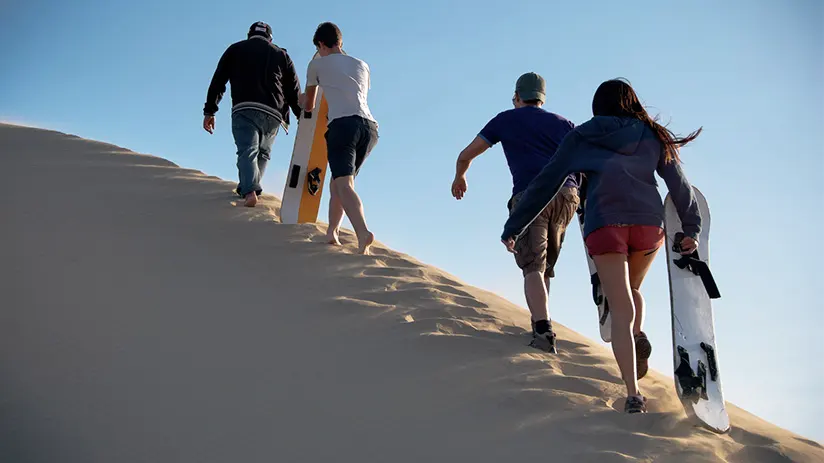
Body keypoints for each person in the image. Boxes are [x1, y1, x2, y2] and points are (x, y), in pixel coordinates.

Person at [500, 78, 702, 414]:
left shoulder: (582, 135)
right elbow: (679, 185)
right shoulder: (653, 135)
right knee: (632, 289)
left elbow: (547, 181)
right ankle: (637, 332)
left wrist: (514, 225)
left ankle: (634, 395)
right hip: (649, 225)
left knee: (618, 306)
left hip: (605, 224)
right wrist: (692, 227)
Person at [451, 72, 581, 354]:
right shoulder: (564, 124)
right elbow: (584, 160)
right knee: (544, 265)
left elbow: (466, 154)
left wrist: (460, 177)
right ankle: (540, 320)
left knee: (532, 265)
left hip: (531, 195)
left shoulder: (506, 119)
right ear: (542, 98)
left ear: (517, 96)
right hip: (568, 195)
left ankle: (543, 329)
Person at [203, 21, 302, 207]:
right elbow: (293, 90)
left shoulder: (235, 49)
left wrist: (210, 110)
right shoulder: (282, 55)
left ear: (249, 35)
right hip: (273, 113)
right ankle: (249, 187)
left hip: (245, 108)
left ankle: (249, 191)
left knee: (248, 150)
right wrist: (301, 116)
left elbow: (218, 81)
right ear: (270, 38)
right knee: (263, 154)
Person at [300, 22, 379, 255]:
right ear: (340, 42)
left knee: (343, 185)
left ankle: (363, 233)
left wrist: (298, 97)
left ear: (321, 45)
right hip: (369, 128)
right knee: (339, 183)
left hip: (342, 125)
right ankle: (332, 231)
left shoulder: (316, 64)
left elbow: (310, 105)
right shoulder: (362, 65)